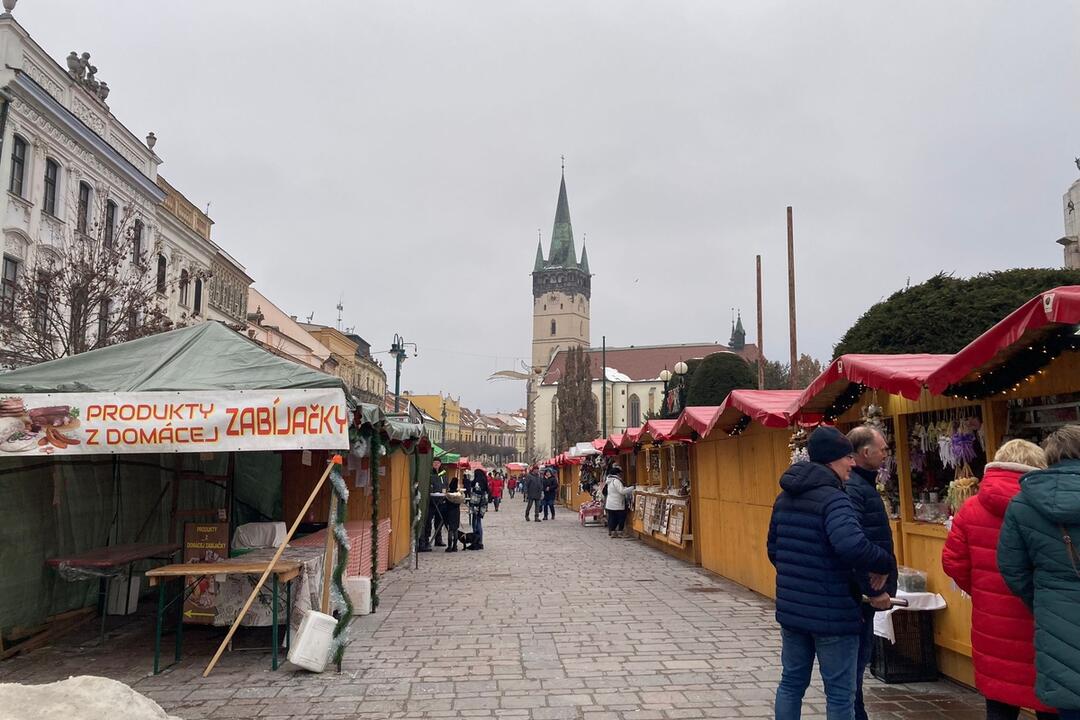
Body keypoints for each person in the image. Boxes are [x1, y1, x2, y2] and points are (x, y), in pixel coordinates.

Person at [768, 425, 895, 720]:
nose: (852, 463)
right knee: (840, 694)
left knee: (791, 684)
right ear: (830, 460)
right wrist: (884, 561)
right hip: (833, 612)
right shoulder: (834, 498)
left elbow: (774, 551)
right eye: (846, 458)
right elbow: (852, 546)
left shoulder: (784, 498)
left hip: (794, 611)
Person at [943, 439, 1056, 720]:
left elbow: (952, 562)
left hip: (991, 622)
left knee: (999, 703)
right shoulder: (1047, 507)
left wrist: (982, 591)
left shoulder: (970, 508)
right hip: (1042, 619)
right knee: (1049, 702)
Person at [998, 425, 1080, 719]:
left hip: (1053, 612)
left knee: (1069, 699)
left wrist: (1042, 598)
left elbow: (1011, 566)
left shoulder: (1023, 503)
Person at [844, 426, 898, 720]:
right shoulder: (855, 488)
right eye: (884, 449)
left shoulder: (861, 485)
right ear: (866, 453)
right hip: (861, 595)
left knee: (855, 669)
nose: (887, 454)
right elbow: (854, 541)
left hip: (863, 593)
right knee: (852, 670)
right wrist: (873, 584)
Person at [418, 459, 448, 552]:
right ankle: (426, 541)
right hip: (431, 501)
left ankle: (438, 539)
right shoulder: (429, 473)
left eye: (438, 463)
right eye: (434, 463)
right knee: (428, 520)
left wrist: (445, 490)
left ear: (440, 464)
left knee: (439, 521)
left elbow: (445, 484)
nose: (436, 465)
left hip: (440, 499)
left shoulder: (443, 473)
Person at [603, 464, 633, 537]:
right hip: (617, 503)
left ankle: (613, 532)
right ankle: (620, 532)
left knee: (612, 518)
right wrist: (632, 488)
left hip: (610, 503)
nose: (621, 475)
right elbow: (622, 491)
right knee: (621, 517)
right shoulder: (616, 481)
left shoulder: (609, 480)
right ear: (617, 473)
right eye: (620, 473)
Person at [466, 468, 490, 550]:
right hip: (482, 507)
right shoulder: (484, 482)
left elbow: (476, 495)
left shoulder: (478, 483)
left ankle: (476, 542)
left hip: (476, 506)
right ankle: (479, 541)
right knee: (478, 523)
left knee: (475, 524)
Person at [443, 473, 464, 552]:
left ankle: (449, 546)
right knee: (455, 530)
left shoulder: (449, 494)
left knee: (450, 530)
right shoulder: (458, 494)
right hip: (457, 513)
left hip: (450, 512)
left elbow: (446, 503)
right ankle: (455, 546)